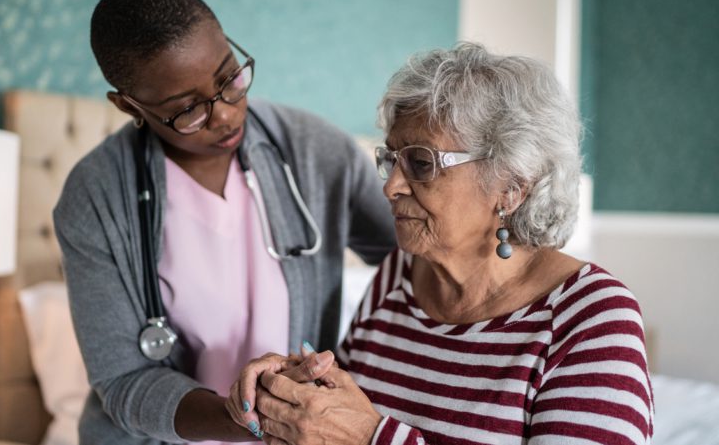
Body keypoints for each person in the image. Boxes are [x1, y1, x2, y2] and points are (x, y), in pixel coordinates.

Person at [226, 43, 654, 445]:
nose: (391, 186)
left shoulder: (591, 319)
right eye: (391, 159)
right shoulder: (400, 274)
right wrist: (298, 393)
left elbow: (360, 432)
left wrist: (371, 438)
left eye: (420, 162)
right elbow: (345, 416)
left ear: (511, 187)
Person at [52, 0, 396, 444]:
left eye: (229, 77)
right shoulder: (95, 198)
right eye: (188, 109)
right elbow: (124, 380)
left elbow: (418, 257)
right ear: (130, 106)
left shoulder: (315, 151)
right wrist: (252, 419)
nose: (227, 114)